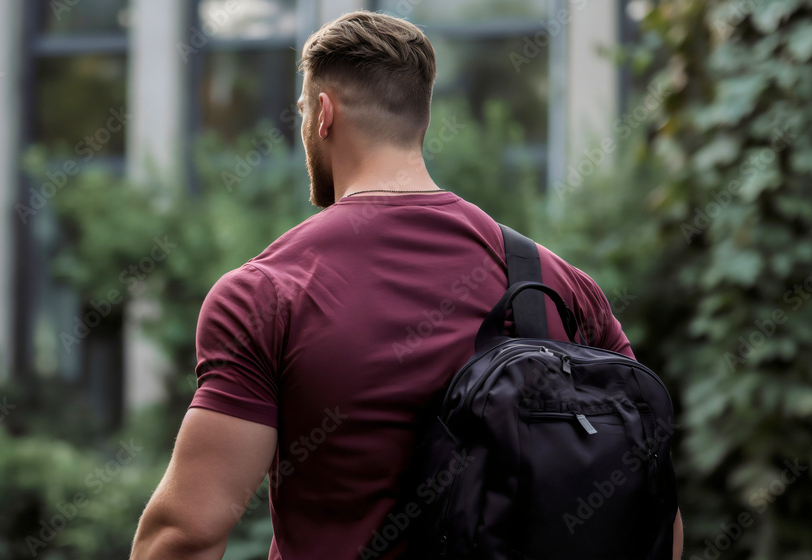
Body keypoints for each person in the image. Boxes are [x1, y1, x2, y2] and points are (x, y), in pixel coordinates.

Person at [130, 10, 683, 560]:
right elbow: (655, 515)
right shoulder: (560, 285)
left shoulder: (267, 292)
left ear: (323, 114)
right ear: (420, 119)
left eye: (302, 111)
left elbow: (189, 533)